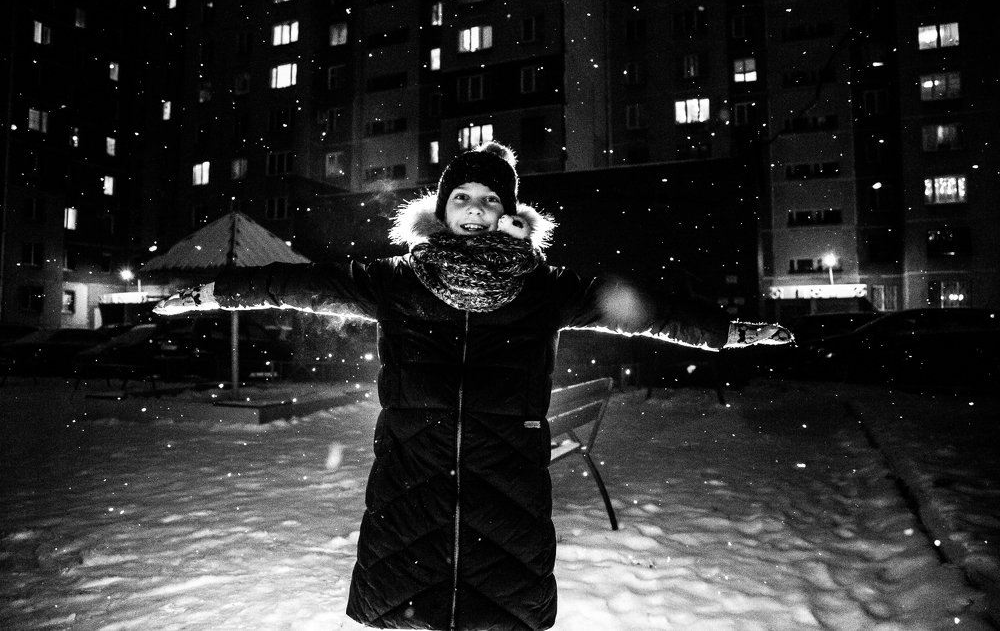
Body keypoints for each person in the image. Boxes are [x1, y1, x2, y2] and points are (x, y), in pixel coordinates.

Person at [155, 142, 791, 631]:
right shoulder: (396, 281)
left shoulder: (543, 288)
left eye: (490, 200)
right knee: (411, 611)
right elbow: (301, 285)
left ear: (508, 214)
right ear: (442, 208)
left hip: (505, 480)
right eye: (463, 197)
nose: (476, 210)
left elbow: (642, 311)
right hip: (413, 476)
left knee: (499, 611)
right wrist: (214, 292)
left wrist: (725, 331)